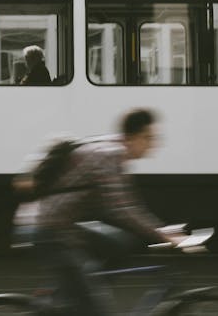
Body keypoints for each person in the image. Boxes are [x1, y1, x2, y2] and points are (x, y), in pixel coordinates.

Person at [28, 108, 185, 315]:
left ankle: (76, 292)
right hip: (54, 232)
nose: (153, 144)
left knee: (121, 243)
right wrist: (162, 233)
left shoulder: (110, 146)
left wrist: (159, 230)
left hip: (64, 226)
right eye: (148, 138)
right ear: (132, 137)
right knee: (97, 310)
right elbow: (121, 209)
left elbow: (124, 206)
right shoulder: (109, 156)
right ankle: (84, 298)